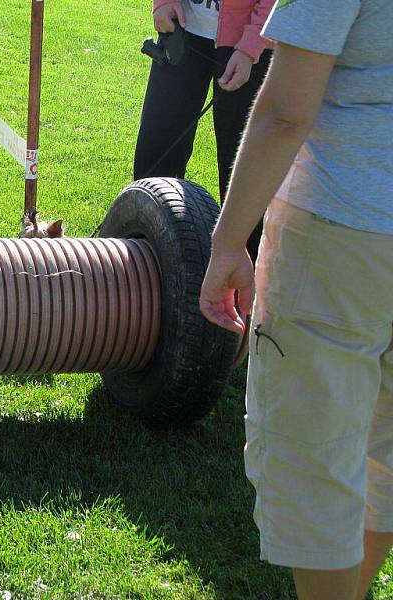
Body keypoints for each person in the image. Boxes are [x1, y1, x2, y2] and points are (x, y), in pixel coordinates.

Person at [199, 0, 393, 597]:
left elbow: (284, 112)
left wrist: (228, 241)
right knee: (386, 448)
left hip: (344, 231)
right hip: (357, 230)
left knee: (313, 460)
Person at [134, 0, 274, 261]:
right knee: (155, 155)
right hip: (183, 31)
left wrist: (252, 45)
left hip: (249, 45)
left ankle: (247, 285)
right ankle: (140, 267)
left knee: (244, 170)